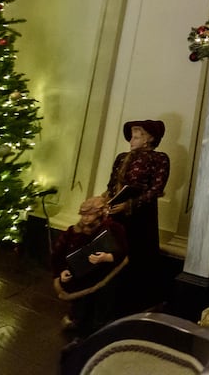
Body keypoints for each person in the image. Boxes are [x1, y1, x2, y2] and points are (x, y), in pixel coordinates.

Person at [105, 118, 170, 308]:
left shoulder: (160, 158)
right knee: (115, 249)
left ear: (149, 138)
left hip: (142, 216)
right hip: (117, 212)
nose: (131, 141)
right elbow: (111, 184)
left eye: (135, 137)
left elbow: (156, 189)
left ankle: (138, 301)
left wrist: (130, 205)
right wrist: (111, 202)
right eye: (131, 137)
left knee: (139, 253)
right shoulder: (121, 157)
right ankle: (112, 297)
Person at [53, 195, 128, 338]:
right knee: (80, 298)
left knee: (102, 295)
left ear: (99, 213)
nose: (85, 219)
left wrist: (106, 257)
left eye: (89, 215)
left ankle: (99, 322)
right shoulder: (74, 231)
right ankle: (77, 318)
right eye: (83, 215)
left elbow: (123, 251)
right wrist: (62, 271)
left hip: (103, 272)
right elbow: (59, 253)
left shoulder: (113, 228)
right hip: (79, 274)